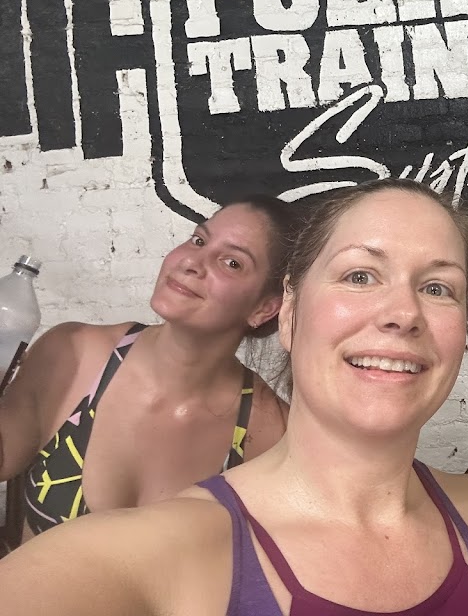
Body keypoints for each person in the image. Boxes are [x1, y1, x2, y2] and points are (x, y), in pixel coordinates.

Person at [0, 179, 468, 616]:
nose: (402, 312)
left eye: (438, 288)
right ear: (288, 313)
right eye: (359, 275)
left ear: (462, 334)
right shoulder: (149, 554)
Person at [0, 195, 294, 549]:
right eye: (198, 240)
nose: (192, 262)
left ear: (264, 308)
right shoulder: (74, 353)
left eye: (232, 262)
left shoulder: (272, 430)